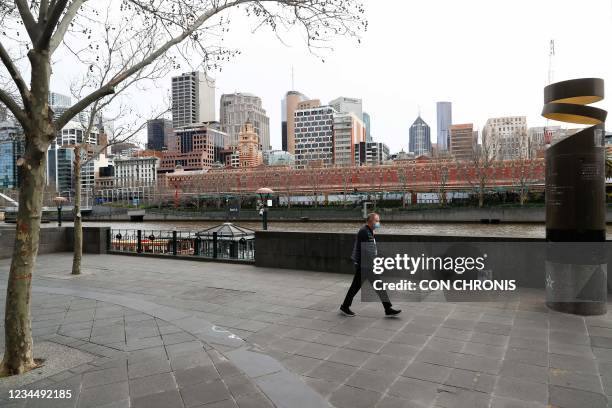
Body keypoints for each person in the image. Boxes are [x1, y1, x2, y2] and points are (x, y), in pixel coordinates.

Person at [340, 213, 402, 317]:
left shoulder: (368, 231)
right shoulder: (365, 232)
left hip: (366, 265)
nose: (378, 223)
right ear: (370, 221)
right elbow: (368, 250)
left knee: (362, 287)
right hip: (365, 266)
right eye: (376, 221)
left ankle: (387, 308)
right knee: (359, 287)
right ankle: (345, 307)